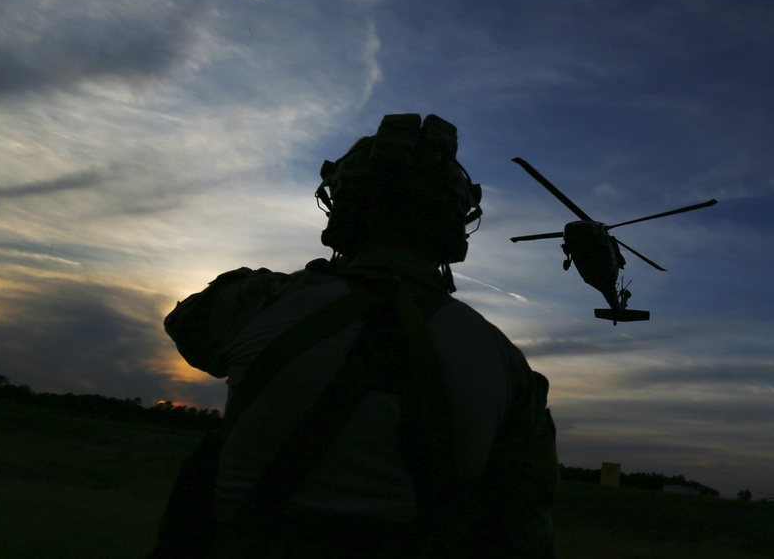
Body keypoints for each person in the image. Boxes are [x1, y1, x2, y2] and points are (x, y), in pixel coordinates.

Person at [160, 114, 558, 557]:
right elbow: (523, 523)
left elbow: (188, 330)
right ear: (455, 227)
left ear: (342, 209)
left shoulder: (263, 300)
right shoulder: (505, 363)